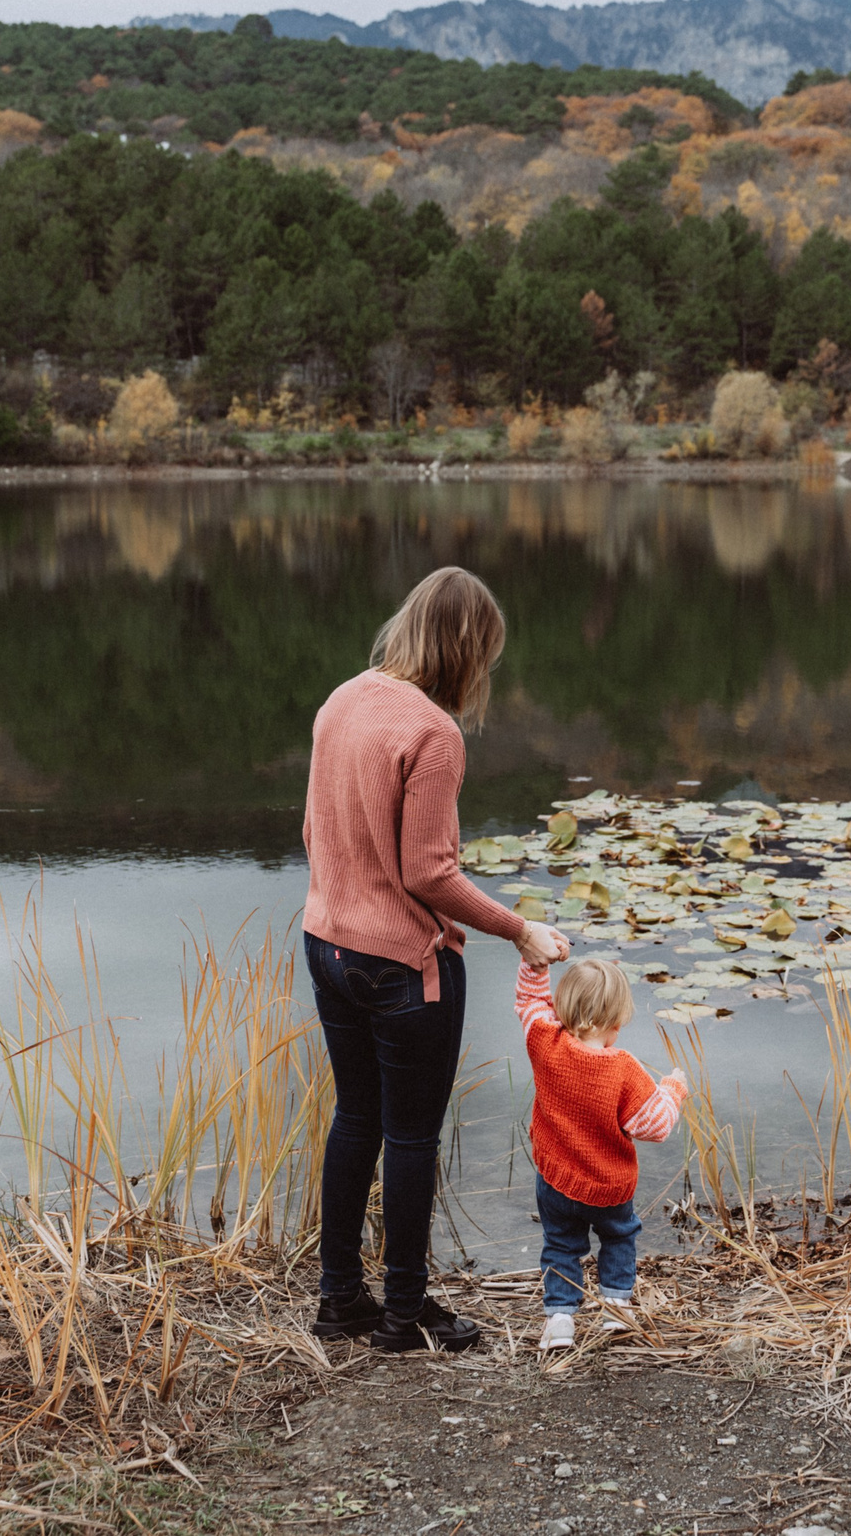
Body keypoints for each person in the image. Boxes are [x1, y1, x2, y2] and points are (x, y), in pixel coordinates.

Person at [301, 566, 571, 1353]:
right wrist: (519, 930)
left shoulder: (341, 699)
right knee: (412, 1135)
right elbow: (428, 872)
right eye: (484, 655)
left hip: (326, 945)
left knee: (356, 1116)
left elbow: (314, 834)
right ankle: (404, 1315)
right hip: (400, 968)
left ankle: (339, 1299)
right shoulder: (432, 732)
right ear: (465, 649)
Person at [514, 954, 687, 1349]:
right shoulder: (624, 1068)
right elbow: (655, 1126)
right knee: (619, 1238)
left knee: (560, 1244)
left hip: (555, 1180)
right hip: (609, 1187)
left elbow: (528, 1000)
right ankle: (615, 1308)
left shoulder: (545, 1040)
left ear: (562, 1008)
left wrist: (535, 962)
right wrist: (673, 1089)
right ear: (614, 1023)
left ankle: (560, 1319)